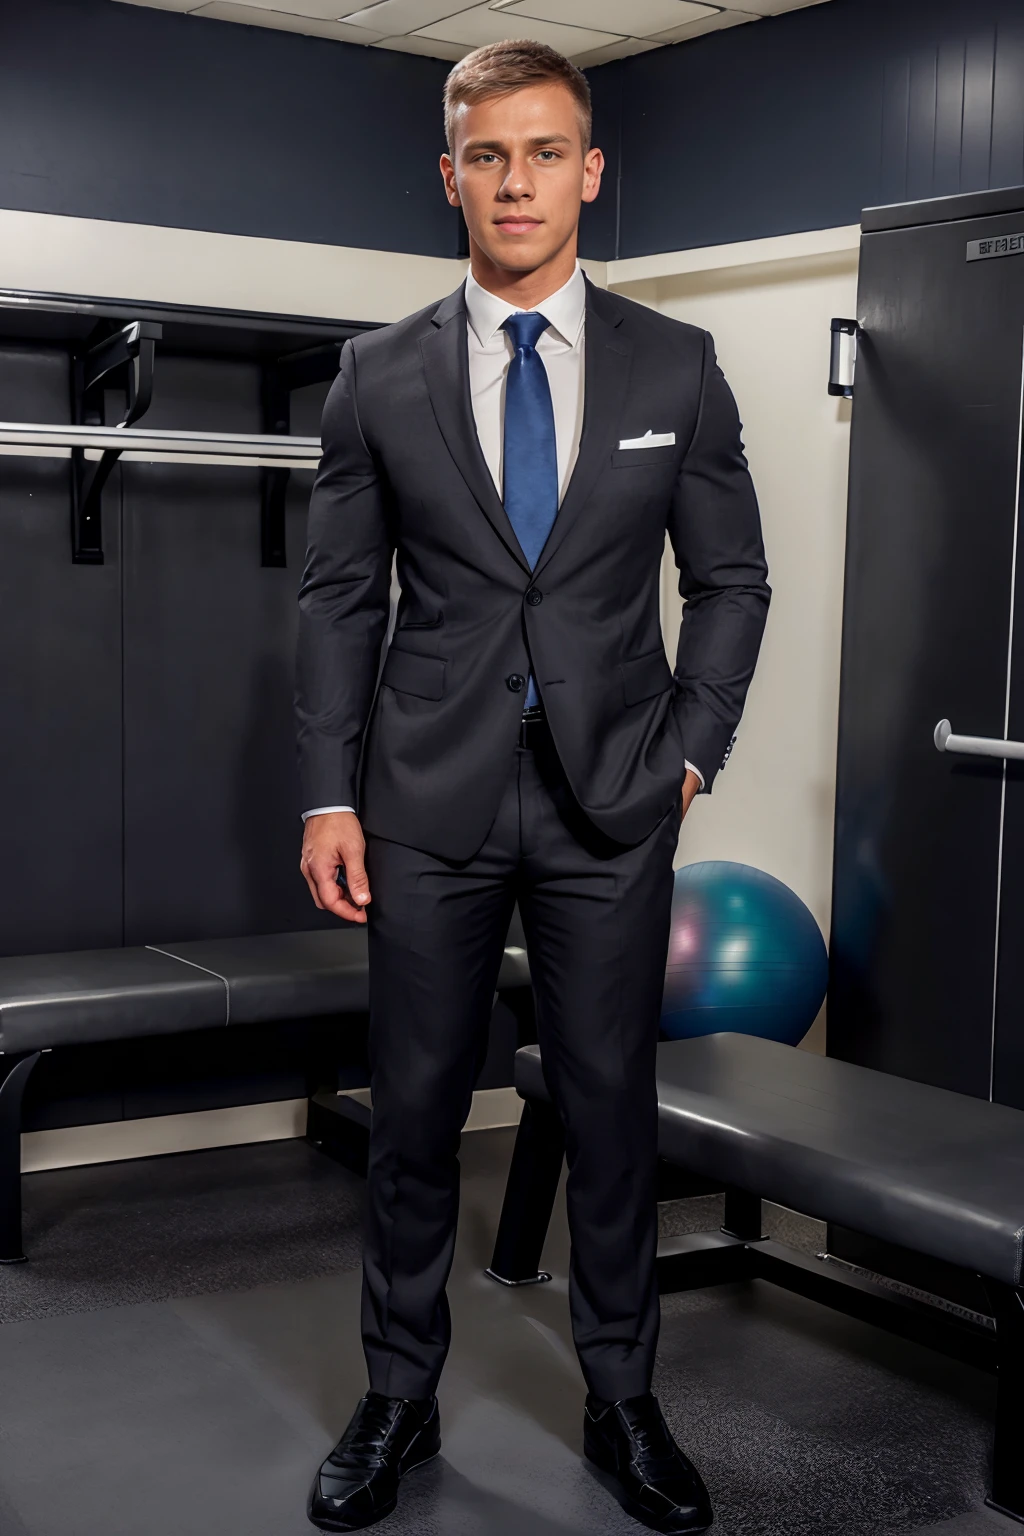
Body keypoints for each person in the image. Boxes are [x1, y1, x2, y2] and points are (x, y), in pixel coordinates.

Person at [296, 37, 769, 1534]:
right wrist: (327, 793)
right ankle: (397, 1396)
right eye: (488, 155)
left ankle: (624, 1402)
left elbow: (735, 580)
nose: (517, 181)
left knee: (613, 1112)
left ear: (590, 172)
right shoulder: (376, 375)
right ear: (450, 176)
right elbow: (335, 602)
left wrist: (691, 746)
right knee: (419, 1112)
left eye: (545, 151)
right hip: (423, 801)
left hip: (607, 800)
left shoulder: (674, 367)